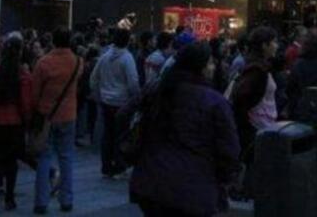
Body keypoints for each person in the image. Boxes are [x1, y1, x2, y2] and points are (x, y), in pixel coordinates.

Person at [128, 42, 241, 217]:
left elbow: (124, 114)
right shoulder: (214, 102)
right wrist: (224, 178)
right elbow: (229, 149)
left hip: (151, 180)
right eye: (210, 63)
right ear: (201, 67)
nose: (213, 67)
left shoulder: (158, 89)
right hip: (193, 186)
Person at [32, 27, 83, 214]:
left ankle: (41, 201)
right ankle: (66, 199)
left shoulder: (43, 63)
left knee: (44, 158)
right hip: (68, 114)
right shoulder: (78, 62)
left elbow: (35, 92)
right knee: (66, 157)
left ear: (53, 41)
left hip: (46, 115)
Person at [0, 34, 32, 212]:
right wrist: (28, 122)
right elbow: (26, 103)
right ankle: (9, 198)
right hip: (14, 123)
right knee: (11, 163)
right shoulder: (22, 73)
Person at [230, 26, 279, 198]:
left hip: (260, 126)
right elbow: (242, 98)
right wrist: (249, 124)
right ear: (264, 45)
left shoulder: (258, 67)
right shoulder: (257, 70)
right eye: (273, 42)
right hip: (257, 127)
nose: (277, 45)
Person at [89, 27, 140, 178]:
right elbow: (133, 83)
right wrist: (135, 99)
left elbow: (94, 78)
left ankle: (106, 166)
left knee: (108, 134)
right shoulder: (127, 58)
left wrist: (99, 95)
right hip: (122, 102)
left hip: (106, 101)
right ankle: (119, 166)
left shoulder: (104, 57)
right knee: (121, 135)